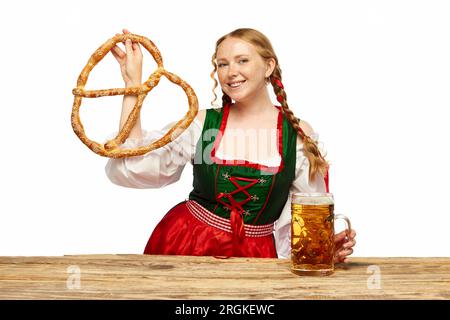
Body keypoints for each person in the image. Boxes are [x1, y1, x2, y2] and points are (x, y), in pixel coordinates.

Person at [105, 28, 356, 261]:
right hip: (185, 244)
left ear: (269, 66)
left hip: (256, 258)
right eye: (222, 64)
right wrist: (132, 86)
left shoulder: (296, 135)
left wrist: (320, 250)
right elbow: (134, 166)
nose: (230, 71)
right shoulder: (205, 126)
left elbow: (305, 227)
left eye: (242, 60)